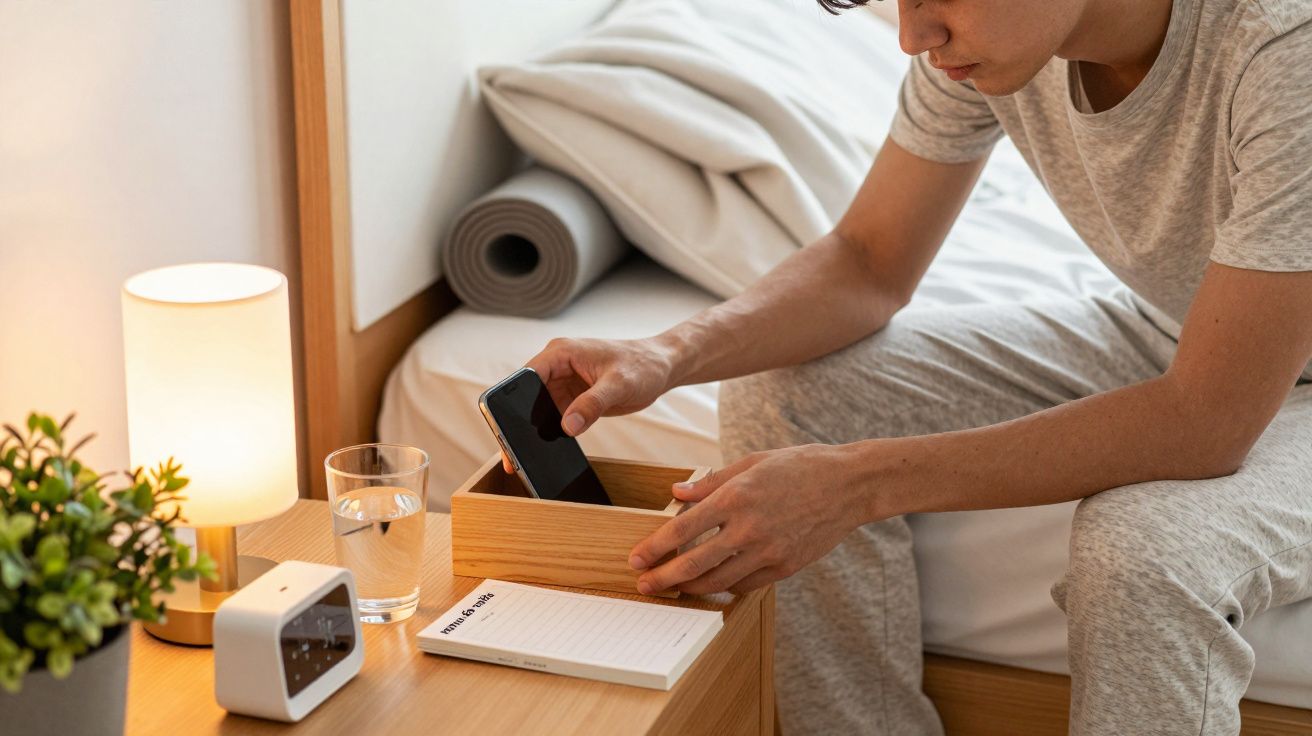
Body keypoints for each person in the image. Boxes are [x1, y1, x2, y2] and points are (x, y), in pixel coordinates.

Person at [508, 0, 1312, 732]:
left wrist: (854, 485)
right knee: (786, 394)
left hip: (1247, 384)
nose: (911, 36)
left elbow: (1205, 422)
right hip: (1179, 328)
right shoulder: (991, 46)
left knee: (1141, 553)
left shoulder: (1284, 47)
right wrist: (665, 354)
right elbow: (868, 260)